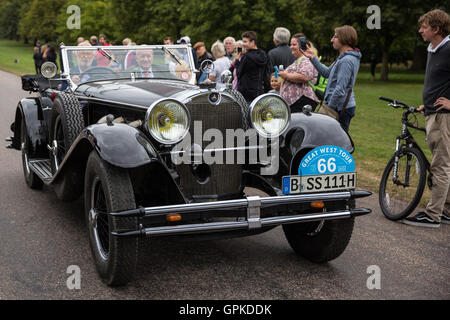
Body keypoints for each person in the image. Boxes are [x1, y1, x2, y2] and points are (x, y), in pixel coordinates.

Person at [403, 9, 450, 228]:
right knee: (443, 162)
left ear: (436, 29)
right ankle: (446, 210)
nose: (420, 30)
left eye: (424, 27)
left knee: (440, 165)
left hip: (444, 117)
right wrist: (428, 104)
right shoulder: (433, 48)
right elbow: (438, 82)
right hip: (433, 112)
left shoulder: (448, 48)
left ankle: (432, 215)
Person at [301, 25, 362, 132]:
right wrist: (312, 57)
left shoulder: (346, 60)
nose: (332, 40)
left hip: (340, 108)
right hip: (339, 106)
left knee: (337, 142)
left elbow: (340, 89)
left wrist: (329, 108)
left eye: (335, 37)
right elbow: (326, 73)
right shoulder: (343, 57)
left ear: (344, 38)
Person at [278, 34, 319, 112]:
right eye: (290, 44)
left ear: (302, 46)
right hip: (297, 102)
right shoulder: (300, 60)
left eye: (294, 44)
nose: (291, 47)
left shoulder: (306, 59)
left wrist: (286, 75)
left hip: (302, 101)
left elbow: (304, 77)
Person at [234, 31, 268, 103]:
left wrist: (237, 61)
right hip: (259, 91)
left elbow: (239, 74)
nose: (243, 44)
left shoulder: (246, 57)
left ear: (252, 42)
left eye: (245, 42)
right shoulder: (263, 54)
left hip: (246, 93)